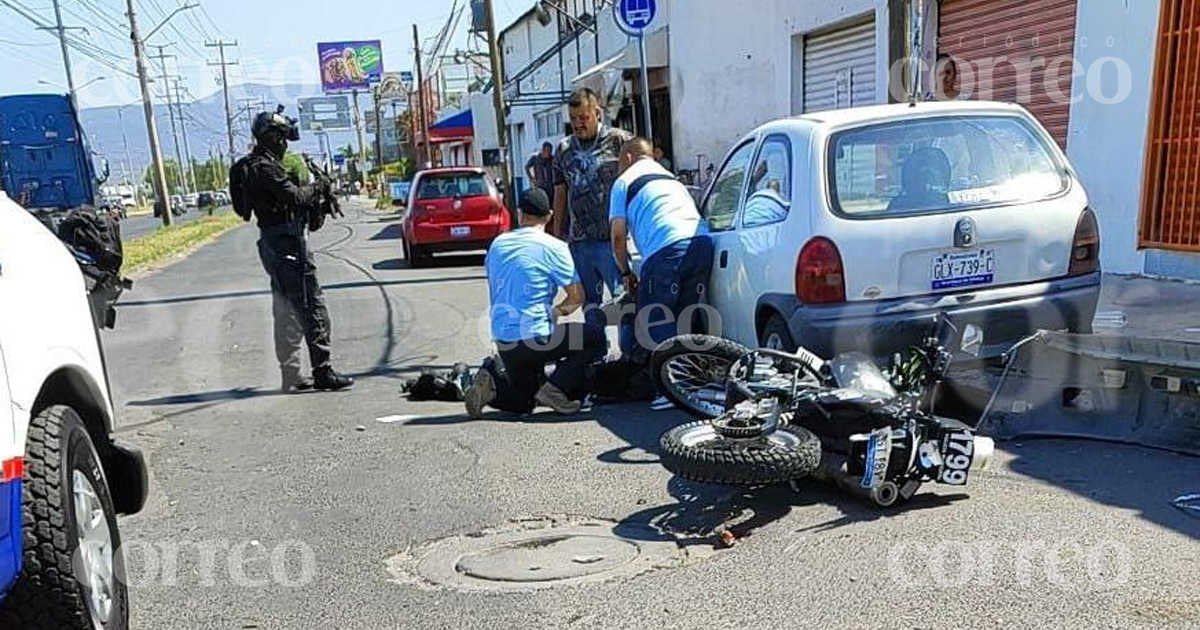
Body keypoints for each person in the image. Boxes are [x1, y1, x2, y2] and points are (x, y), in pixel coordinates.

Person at [235, 108, 354, 393]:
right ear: (271, 138)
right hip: (287, 241)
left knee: (286, 308)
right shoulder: (265, 167)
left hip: (272, 242)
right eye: (281, 137)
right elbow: (294, 196)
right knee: (311, 305)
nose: (285, 143)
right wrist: (319, 188)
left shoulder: (249, 167)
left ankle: (291, 374)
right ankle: (322, 371)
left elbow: (244, 210)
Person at [465, 188, 607, 418]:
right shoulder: (554, 247)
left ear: (520, 215)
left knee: (524, 402)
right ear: (549, 216)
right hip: (536, 337)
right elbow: (577, 296)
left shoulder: (497, 245)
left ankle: (491, 383)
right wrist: (557, 312)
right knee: (595, 337)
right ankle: (556, 388)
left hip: (505, 341)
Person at [609, 137, 713, 409]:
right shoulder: (671, 179)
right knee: (684, 317)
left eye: (620, 162)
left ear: (628, 158)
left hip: (665, 249)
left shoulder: (624, 181)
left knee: (656, 318)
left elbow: (618, 237)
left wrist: (624, 272)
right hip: (702, 244)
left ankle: (670, 390)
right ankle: (692, 385)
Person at [553, 88, 634, 347]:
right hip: (580, 241)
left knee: (624, 299)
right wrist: (557, 236)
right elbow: (560, 192)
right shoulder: (564, 148)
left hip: (613, 239)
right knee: (590, 303)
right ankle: (596, 353)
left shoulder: (620, 141)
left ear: (597, 113)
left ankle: (628, 354)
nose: (578, 123)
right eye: (573, 118)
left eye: (583, 117)